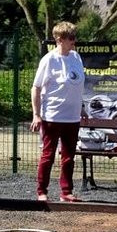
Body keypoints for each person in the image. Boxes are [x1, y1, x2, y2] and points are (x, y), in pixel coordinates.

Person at [30, 21, 85, 202]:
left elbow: (77, 86)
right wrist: (36, 114)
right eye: (70, 38)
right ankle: (41, 191)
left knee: (69, 157)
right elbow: (36, 88)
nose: (74, 41)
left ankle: (66, 192)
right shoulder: (49, 59)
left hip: (72, 117)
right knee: (48, 154)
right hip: (52, 116)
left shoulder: (76, 57)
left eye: (74, 37)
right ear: (59, 40)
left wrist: (81, 107)